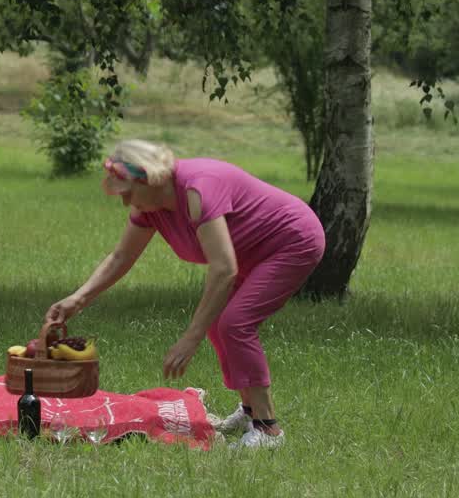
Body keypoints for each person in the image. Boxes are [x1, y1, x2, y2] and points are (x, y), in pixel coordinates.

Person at [44, 139, 324, 448]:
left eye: (127, 193)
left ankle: (268, 429)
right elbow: (121, 257)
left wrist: (190, 338)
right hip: (248, 252)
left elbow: (224, 270)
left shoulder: (198, 189)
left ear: (148, 179)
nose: (125, 203)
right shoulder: (150, 207)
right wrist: (79, 298)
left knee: (235, 323)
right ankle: (250, 412)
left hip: (290, 241)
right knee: (219, 324)